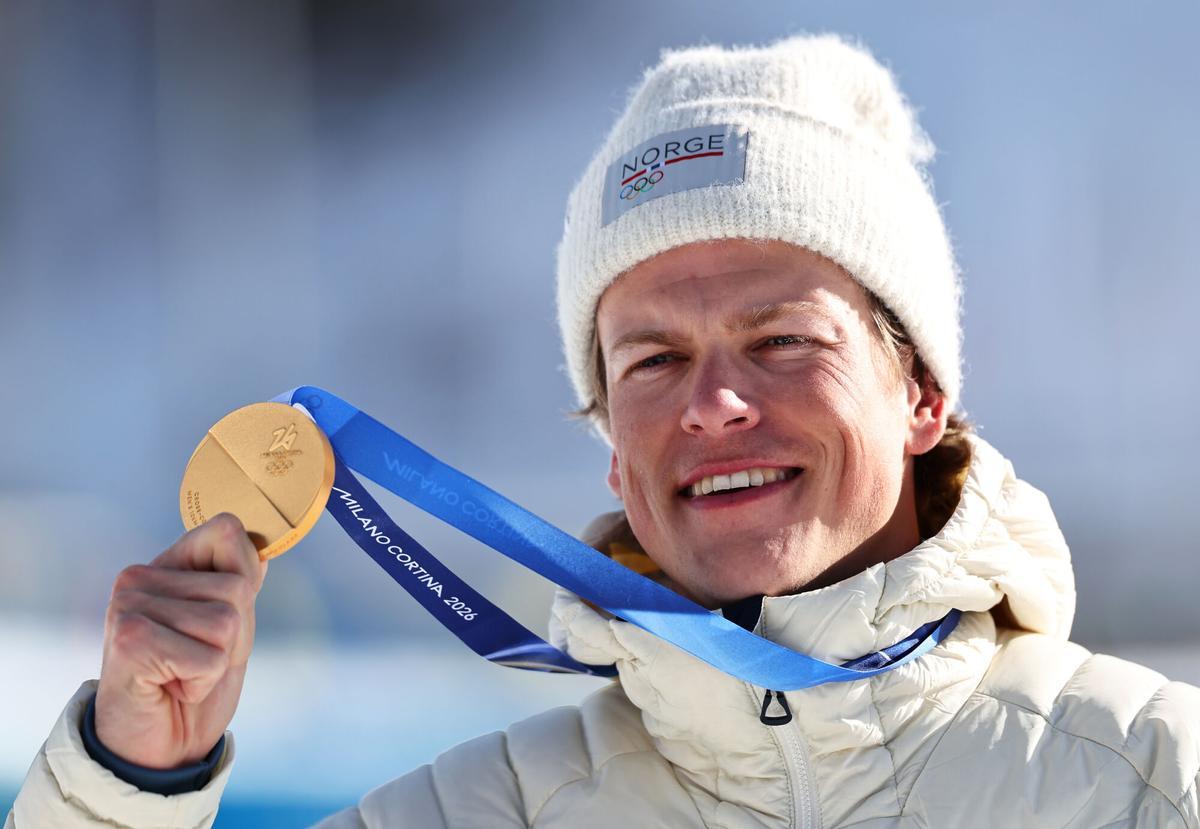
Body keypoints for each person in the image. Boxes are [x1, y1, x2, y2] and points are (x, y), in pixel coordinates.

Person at [8, 33, 1200, 829]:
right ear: (615, 451)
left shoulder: (1152, 777)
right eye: (655, 360)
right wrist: (130, 775)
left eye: (784, 338)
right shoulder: (487, 811)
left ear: (922, 394)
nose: (713, 403)